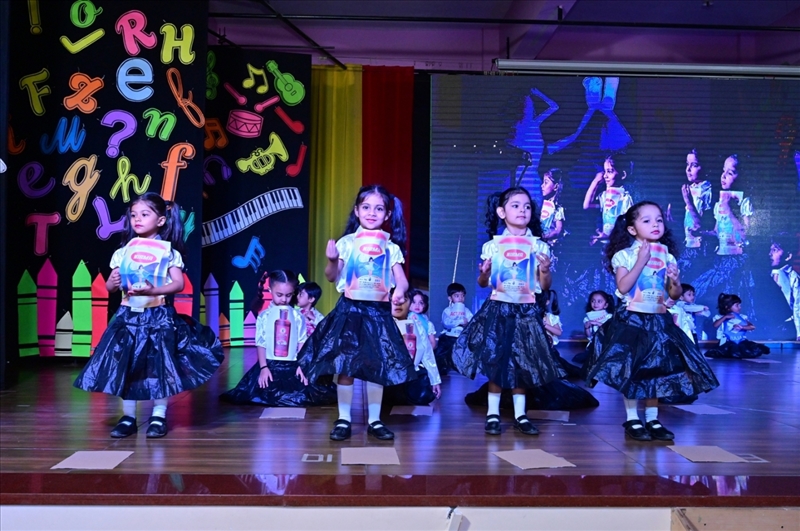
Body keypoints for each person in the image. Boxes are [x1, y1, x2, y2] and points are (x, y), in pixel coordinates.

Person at [74, 193, 223, 438]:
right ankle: (128, 417)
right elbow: (110, 288)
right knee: (127, 364)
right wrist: (113, 281)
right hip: (128, 318)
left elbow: (178, 284)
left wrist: (154, 290)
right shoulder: (123, 252)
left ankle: (158, 416)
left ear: (161, 220)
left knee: (159, 365)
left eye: (144, 214)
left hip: (157, 317)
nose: (137, 219)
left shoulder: (168, 253)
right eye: (133, 215)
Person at [583, 201, 719, 442]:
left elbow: (673, 295)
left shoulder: (667, 255)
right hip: (633, 320)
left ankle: (653, 419)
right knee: (633, 370)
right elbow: (623, 287)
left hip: (658, 319)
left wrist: (675, 281)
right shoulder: (624, 255)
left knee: (657, 368)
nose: (655, 224)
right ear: (632, 229)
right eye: (646, 220)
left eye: (658, 220)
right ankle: (632, 419)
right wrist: (641, 261)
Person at [296, 185, 416, 441]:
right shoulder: (347, 243)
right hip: (350, 310)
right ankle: (344, 418)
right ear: (357, 211)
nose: (372, 213)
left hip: (378, 314)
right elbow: (331, 277)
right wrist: (332, 260)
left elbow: (401, 281)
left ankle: (375, 420)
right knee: (346, 365)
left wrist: (399, 292)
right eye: (366, 207)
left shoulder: (390, 247)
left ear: (387, 214)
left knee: (376, 365)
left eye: (379, 208)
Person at [452, 186, 565, 436]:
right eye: (515, 205)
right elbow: (483, 283)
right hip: (499, 309)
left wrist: (545, 270)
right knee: (496, 360)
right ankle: (493, 414)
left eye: (527, 206)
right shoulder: (492, 246)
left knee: (522, 362)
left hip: (526, 311)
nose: (522, 210)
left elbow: (545, 286)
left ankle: (520, 415)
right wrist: (483, 273)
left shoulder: (540, 247)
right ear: (502, 212)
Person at [220, 271, 337, 407]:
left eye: (288, 295)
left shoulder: (298, 316)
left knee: (306, 391)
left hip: (293, 363)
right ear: (270, 290)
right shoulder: (264, 316)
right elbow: (261, 343)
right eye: (279, 295)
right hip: (270, 364)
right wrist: (263, 367)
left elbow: (301, 341)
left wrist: (302, 365)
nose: (284, 300)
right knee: (261, 391)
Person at [383, 289, 442, 406]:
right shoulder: (382, 323)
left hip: (412, 373)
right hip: (388, 376)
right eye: (394, 301)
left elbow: (427, 354)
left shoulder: (417, 325)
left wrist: (435, 381)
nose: (399, 304)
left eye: (404, 300)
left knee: (424, 393)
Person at [583, 154, 633, 245]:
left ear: (623, 175)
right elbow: (587, 205)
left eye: (609, 171)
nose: (605, 176)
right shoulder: (605, 196)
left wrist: (609, 237)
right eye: (604, 172)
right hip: (607, 245)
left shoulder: (625, 198)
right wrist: (596, 181)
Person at [705, 293, 770, 359]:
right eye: (737, 305)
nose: (739, 307)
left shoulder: (742, 317)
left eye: (740, 305)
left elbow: (752, 327)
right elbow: (715, 325)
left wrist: (742, 327)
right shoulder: (719, 317)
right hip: (725, 340)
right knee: (726, 348)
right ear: (727, 307)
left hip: (740, 340)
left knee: (749, 348)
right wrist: (725, 317)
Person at [434, 283, 473, 375]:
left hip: (461, 336)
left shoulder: (466, 311)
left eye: (462, 296)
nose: (460, 298)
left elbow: (472, 321)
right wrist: (459, 322)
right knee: (442, 351)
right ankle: (441, 369)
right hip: (449, 335)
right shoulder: (448, 310)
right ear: (450, 298)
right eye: (457, 296)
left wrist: (467, 323)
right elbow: (446, 322)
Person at [768, 234, 800, 341]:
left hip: (786, 327)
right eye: (770, 249)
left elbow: (797, 306)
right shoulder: (767, 274)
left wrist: (799, 332)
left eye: (775, 250)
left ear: (788, 256)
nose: (770, 254)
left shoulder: (793, 277)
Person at [540, 168, 566, 245]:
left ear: (556, 187)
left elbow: (558, 230)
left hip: (552, 246)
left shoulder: (558, 208)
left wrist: (544, 237)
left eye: (546, 182)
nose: (542, 186)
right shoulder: (542, 204)